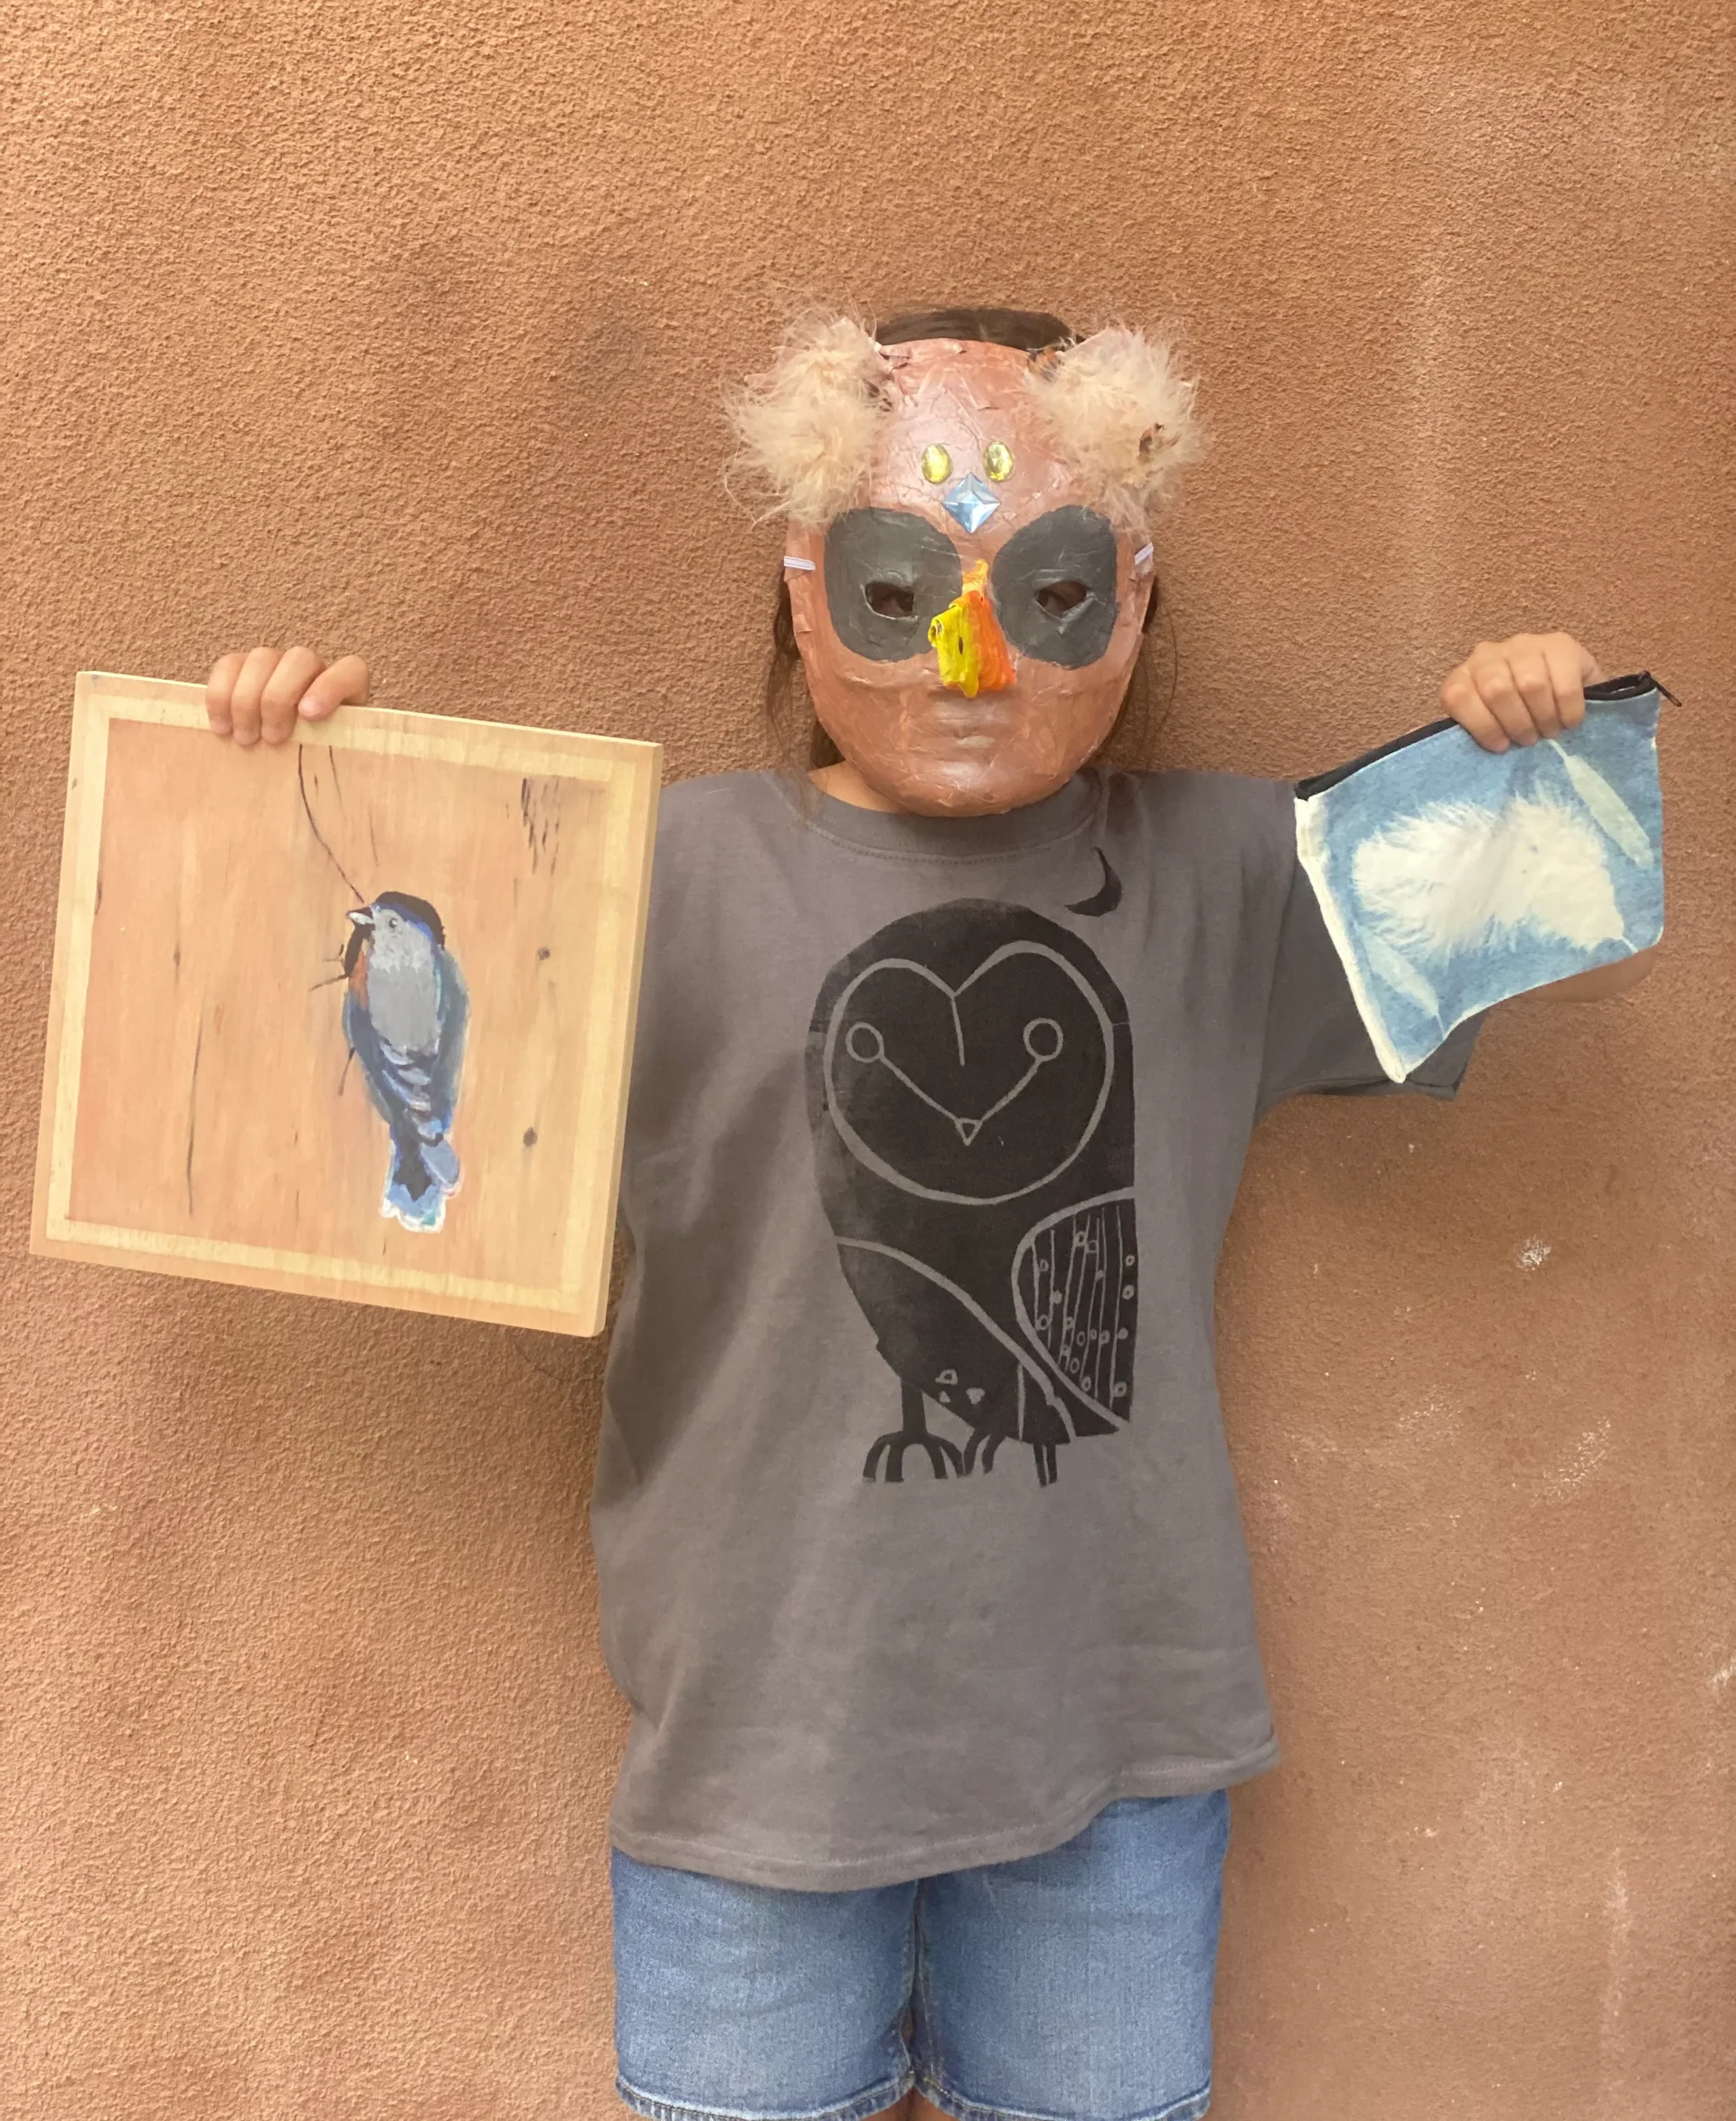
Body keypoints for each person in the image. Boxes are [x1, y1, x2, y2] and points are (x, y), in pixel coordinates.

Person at [204, 306, 1656, 2121]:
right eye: (905, 585)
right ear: (805, 587)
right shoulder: (643, 878)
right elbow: (362, 1069)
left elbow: (1531, 872)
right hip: (752, 1761)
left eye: (1042, 585)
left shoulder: (1217, 875)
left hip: (1112, 1754)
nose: (970, 653)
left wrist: (1523, 729)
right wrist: (284, 809)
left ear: (1131, 589)